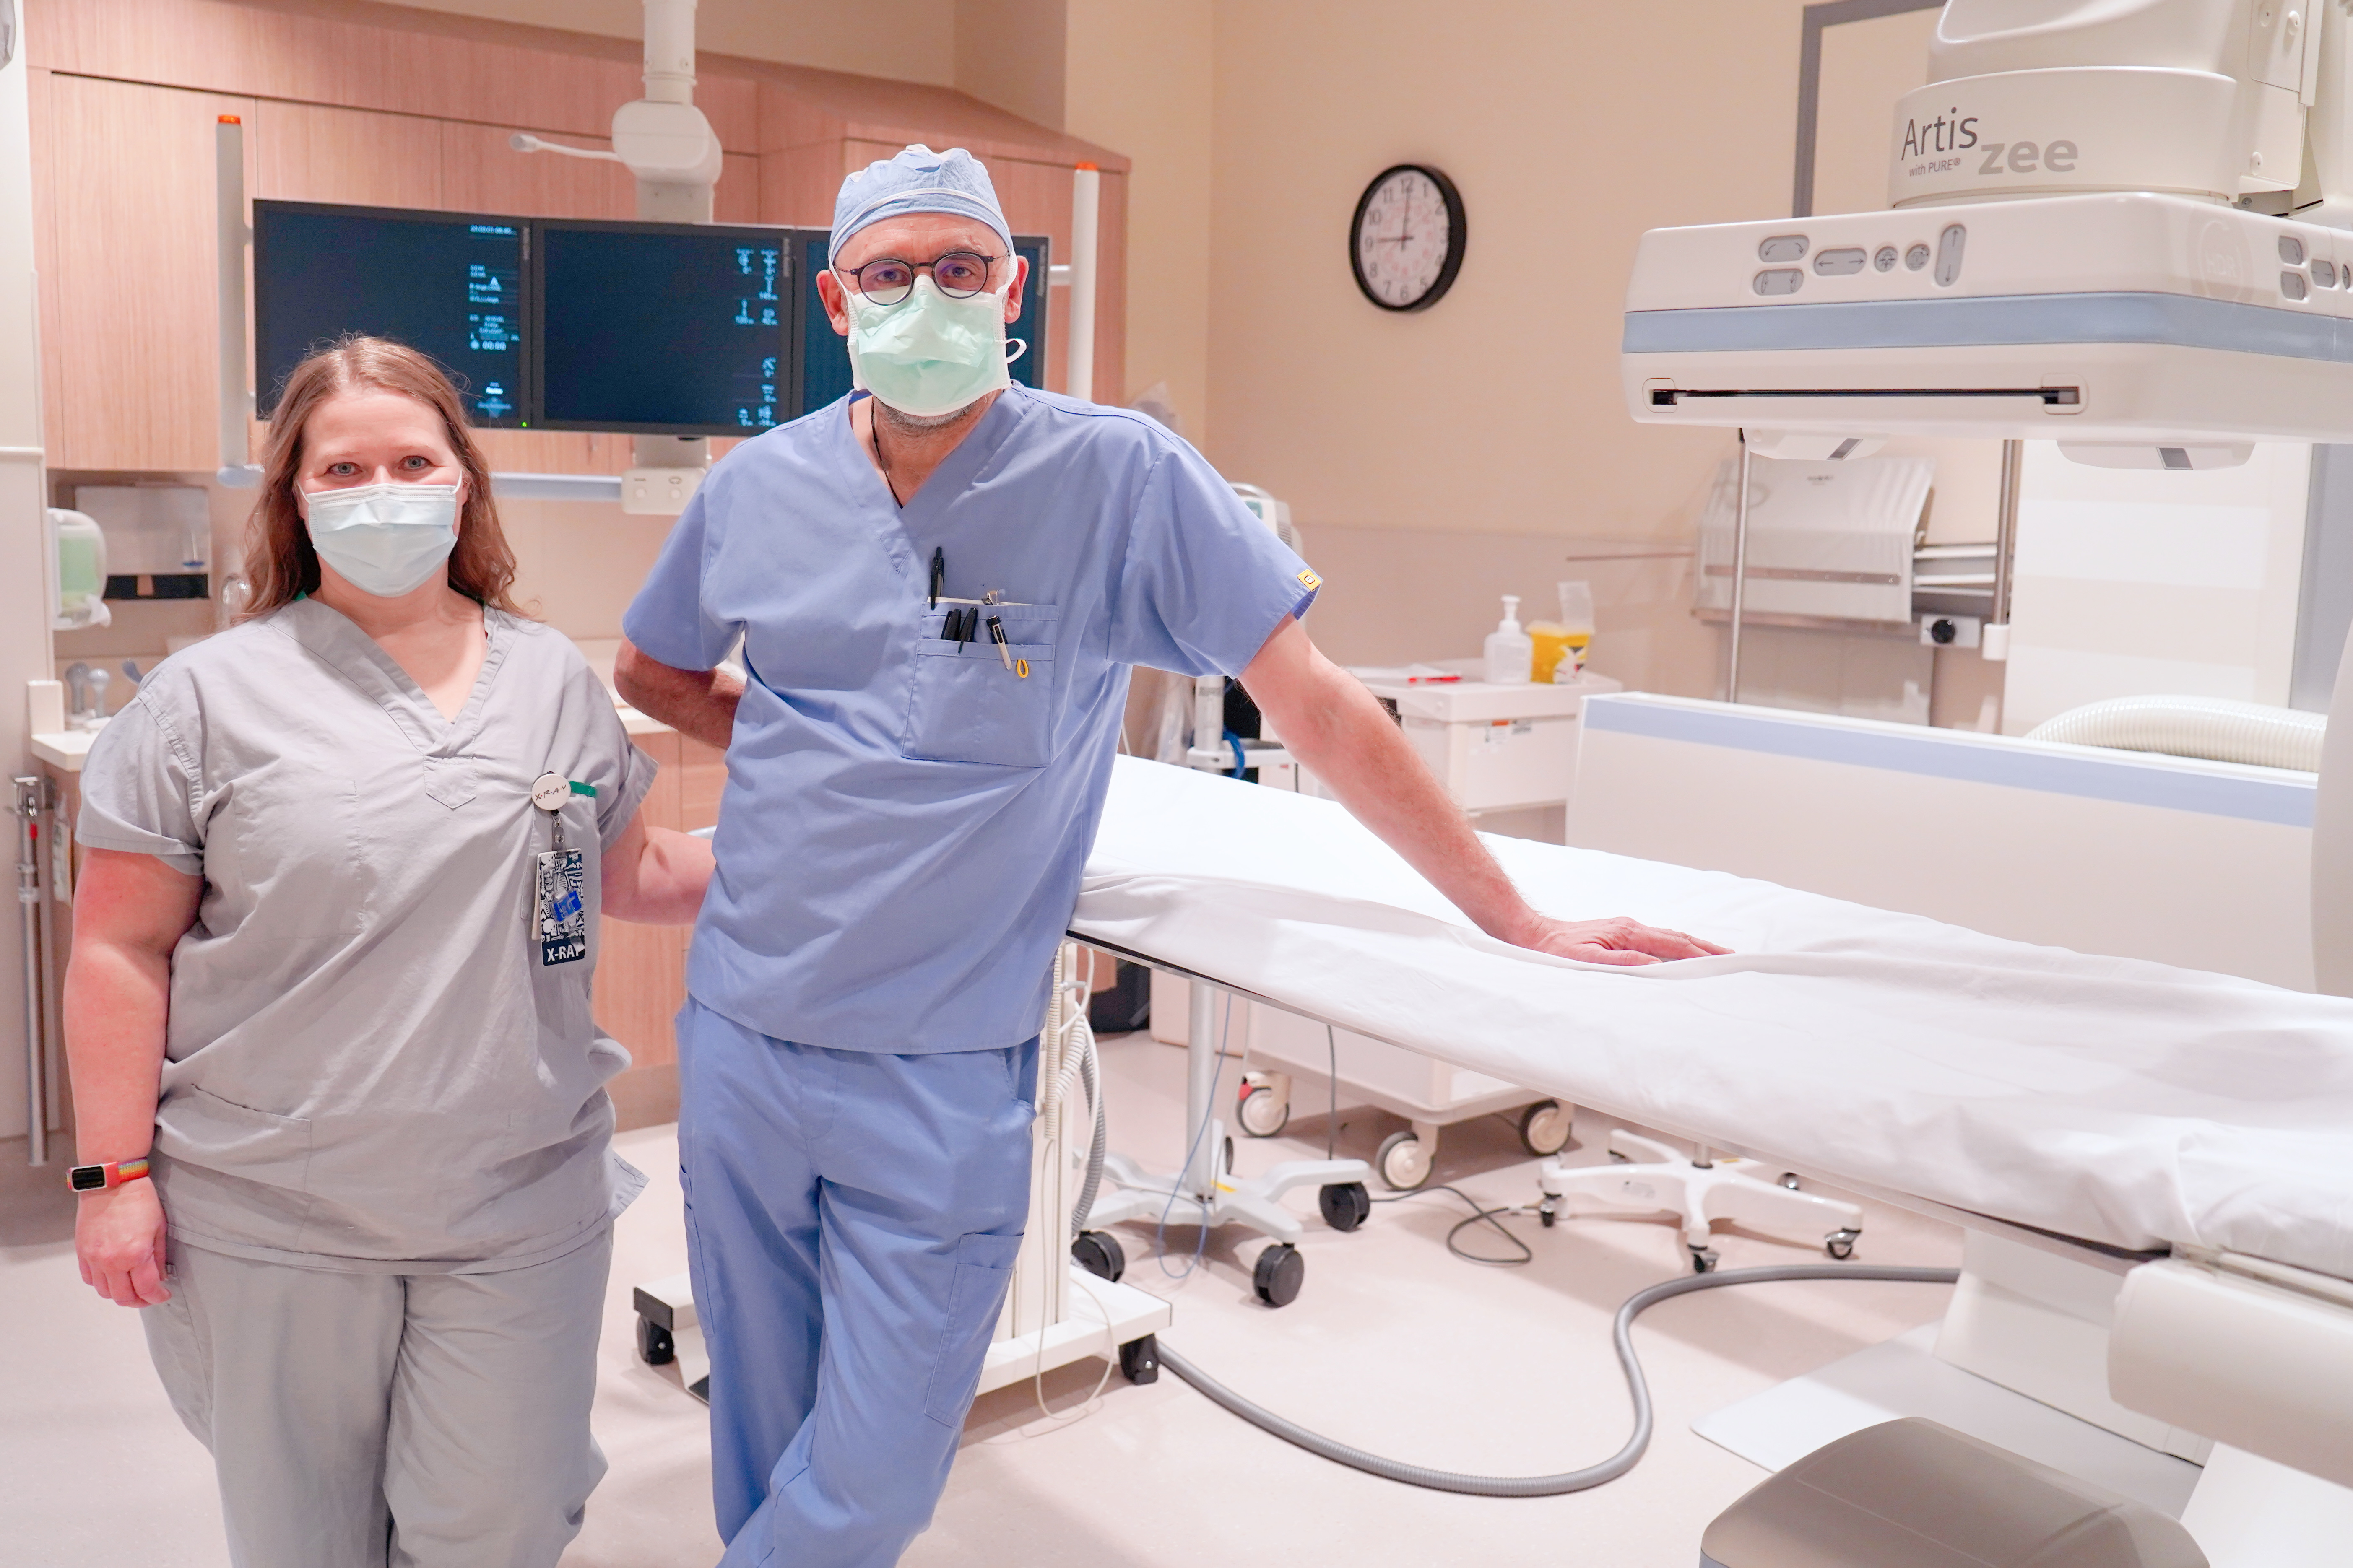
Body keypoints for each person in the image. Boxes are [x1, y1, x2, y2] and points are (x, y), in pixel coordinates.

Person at [614, 143, 1725, 1568]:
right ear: (837, 300)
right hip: (746, 1037)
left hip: (941, 1062)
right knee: (762, 1432)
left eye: (960, 269)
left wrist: (1511, 908)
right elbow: (653, 663)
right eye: (889, 274)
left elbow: (1312, 696)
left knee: (875, 1475)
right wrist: (787, 737)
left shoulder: (1113, 475)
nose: (926, 298)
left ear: (1012, 287)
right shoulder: (759, 485)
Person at [65, 336, 715, 1568]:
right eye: (344, 467)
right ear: (297, 497)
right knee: (305, 1538)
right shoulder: (203, 700)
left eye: (412, 460)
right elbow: (117, 947)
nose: (383, 491)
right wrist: (113, 1178)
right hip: (274, 1209)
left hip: (515, 1201)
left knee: (506, 1520)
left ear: (461, 479)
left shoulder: (553, 681)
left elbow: (631, 870)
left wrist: (845, 861)